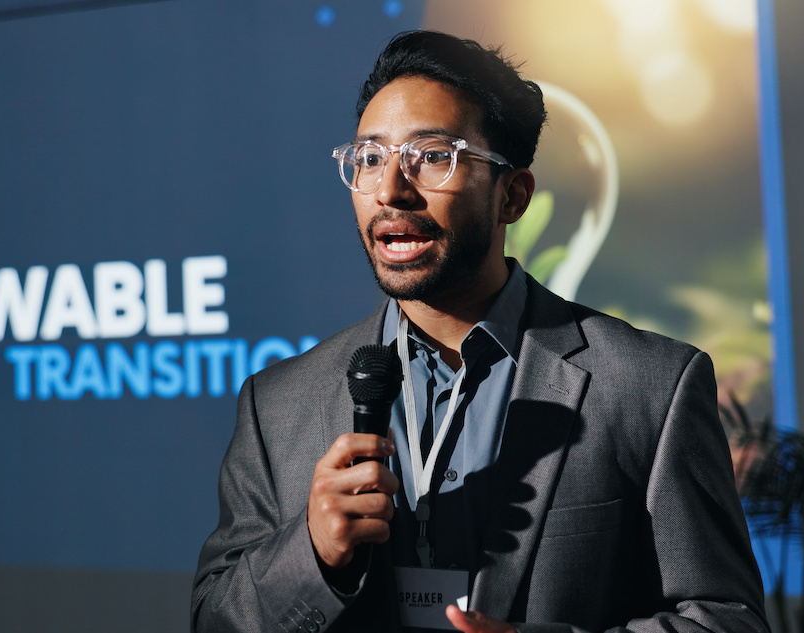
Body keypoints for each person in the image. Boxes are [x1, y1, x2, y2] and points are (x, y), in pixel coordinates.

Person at [192, 30, 768, 633]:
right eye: (369, 158)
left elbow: (726, 620)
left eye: (433, 156)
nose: (390, 190)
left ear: (512, 196)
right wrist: (312, 552)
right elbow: (215, 621)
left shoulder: (648, 386)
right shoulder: (277, 406)